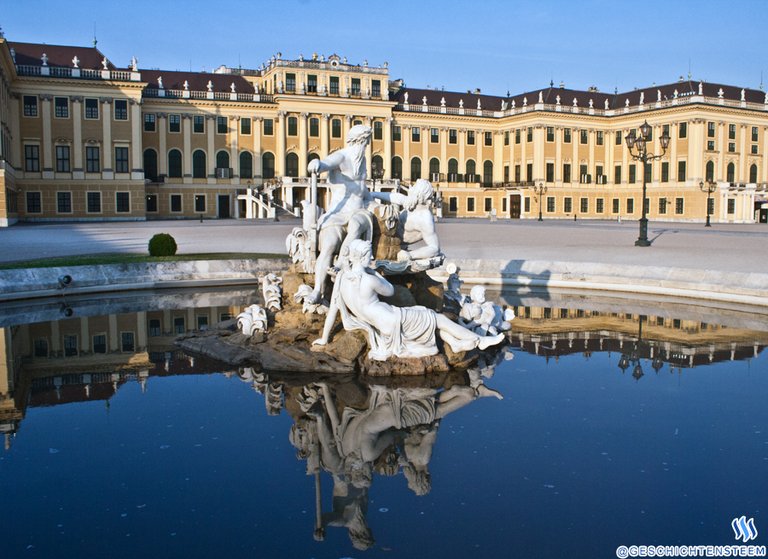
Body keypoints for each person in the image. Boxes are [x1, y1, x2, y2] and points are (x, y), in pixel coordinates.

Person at [312, 239, 504, 360]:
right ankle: (478, 340)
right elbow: (388, 291)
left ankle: (455, 343)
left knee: (424, 314)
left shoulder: (342, 280)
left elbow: (333, 311)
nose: (371, 256)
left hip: (386, 322)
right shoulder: (369, 280)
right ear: (362, 257)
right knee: (436, 317)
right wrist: (375, 272)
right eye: (369, 254)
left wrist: (324, 338)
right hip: (393, 322)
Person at [305, 124, 374, 304]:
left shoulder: (362, 161)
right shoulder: (342, 156)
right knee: (328, 244)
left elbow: (361, 189)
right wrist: (318, 164)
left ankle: (340, 265)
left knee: (356, 226)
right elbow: (328, 162)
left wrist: (375, 200)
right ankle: (318, 290)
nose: (366, 146)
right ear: (358, 140)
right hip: (338, 213)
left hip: (358, 211)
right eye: (365, 142)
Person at [369, 179, 441, 262]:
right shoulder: (412, 204)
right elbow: (394, 196)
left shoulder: (425, 218)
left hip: (388, 242)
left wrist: (410, 255)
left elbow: (434, 248)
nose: (411, 188)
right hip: (382, 232)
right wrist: (373, 194)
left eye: (414, 187)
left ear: (419, 193)